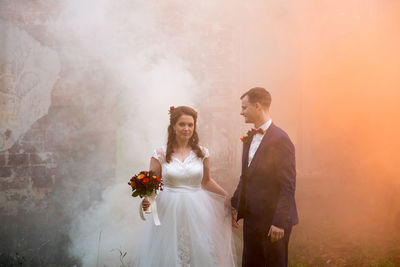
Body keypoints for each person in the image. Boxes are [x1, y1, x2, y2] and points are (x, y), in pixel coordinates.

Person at [133, 106, 236, 267]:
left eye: (190, 124)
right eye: (182, 124)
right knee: (169, 252)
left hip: (198, 209)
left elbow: (207, 181)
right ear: (173, 126)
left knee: (200, 250)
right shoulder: (160, 153)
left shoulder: (202, 153)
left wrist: (226, 195)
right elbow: (151, 186)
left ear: (194, 127)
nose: (186, 128)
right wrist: (147, 200)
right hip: (168, 209)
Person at [226, 87, 298, 267]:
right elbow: (246, 176)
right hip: (252, 218)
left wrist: (280, 222)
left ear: (257, 106)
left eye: (244, 108)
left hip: (273, 221)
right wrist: (235, 205)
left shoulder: (281, 139)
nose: (241, 112)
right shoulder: (249, 136)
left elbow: (288, 185)